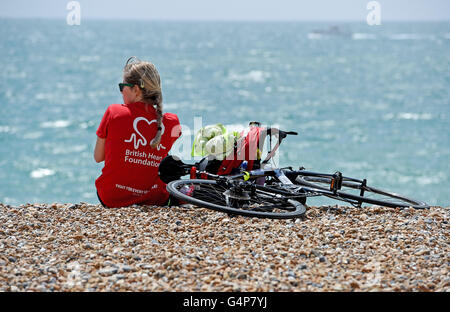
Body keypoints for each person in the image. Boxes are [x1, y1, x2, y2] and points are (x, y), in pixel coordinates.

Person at [94, 57, 182, 208]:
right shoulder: (172, 122)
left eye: (123, 86)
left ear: (136, 89)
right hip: (154, 198)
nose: (121, 92)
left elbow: (98, 157)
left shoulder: (114, 112)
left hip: (111, 196)